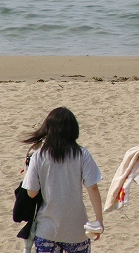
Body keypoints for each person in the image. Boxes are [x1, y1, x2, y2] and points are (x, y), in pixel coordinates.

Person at [21, 107, 104, 253]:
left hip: (47, 230)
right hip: (77, 230)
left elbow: (32, 192)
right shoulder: (82, 154)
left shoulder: (38, 156)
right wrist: (99, 222)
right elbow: (93, 188)